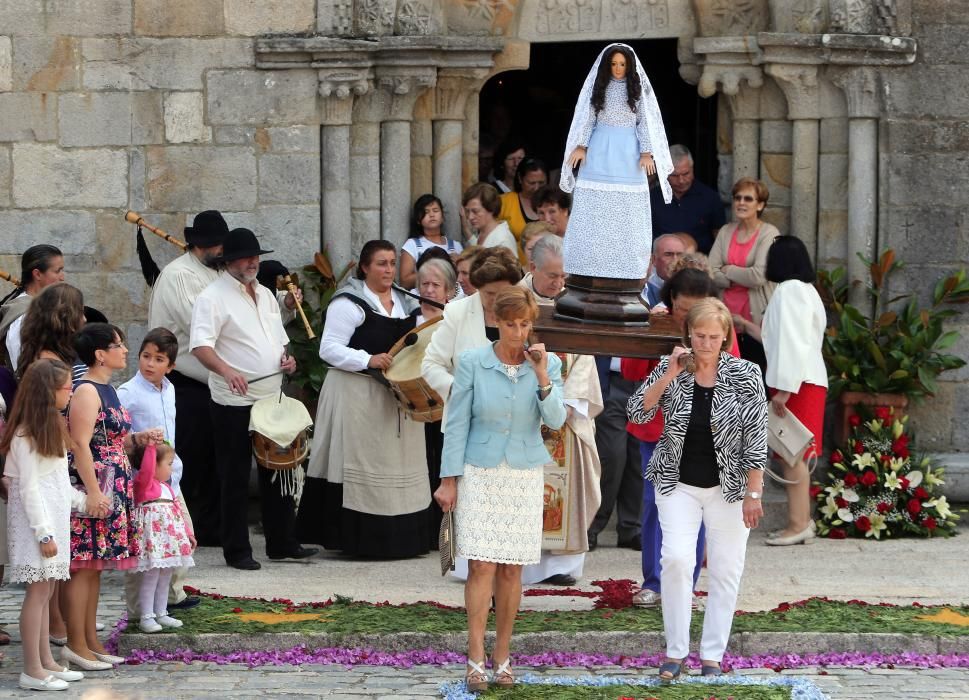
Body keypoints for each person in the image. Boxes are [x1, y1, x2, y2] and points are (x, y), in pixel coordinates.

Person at [627, 298, 767, 679]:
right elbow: (638, 412)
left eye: (713, 337)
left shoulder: (746, 374)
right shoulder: (671, 366)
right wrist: (668, 374)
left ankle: (712, 656)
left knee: (725, 569)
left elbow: (756, 436)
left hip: (731, 487)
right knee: (675, 560)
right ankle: (674, 652)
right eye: (699, 335)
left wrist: (754, 493)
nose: (705, 343)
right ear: (689, 333)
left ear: (725, 338)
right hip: (677, 483)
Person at [434, 286, 565, 691]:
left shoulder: (550, 363)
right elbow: (456, 423)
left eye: (525, 324)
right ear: (497, 322)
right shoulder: (473, 362)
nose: (518, 332)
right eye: (511, 324)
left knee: (512, 569)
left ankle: (503, 657)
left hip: (523, 474)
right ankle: (475, 657)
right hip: (480, 470)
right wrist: (448, 479)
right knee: (481, 566)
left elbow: (557, 421)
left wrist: (542, 373)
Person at [190, 228, 312, 570]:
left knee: (279, 471)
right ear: (228, 261)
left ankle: (282, 542)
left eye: (256, 255)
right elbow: (201, 345)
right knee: (234, 475)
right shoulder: (212, 296)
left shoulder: (266, 294)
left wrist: (287, 359)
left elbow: (278, 340)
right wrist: (227, 371)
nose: (253, 261)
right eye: (246, 256)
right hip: (234, 401)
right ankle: (237, 550)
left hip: (270, 396)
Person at [298, 240, 430, 558]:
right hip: (357, 396)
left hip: (395, 397)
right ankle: (361, 540)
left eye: (392, 262)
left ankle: (404, 539)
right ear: (365, 267)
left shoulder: (406, 302)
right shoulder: (349, 303)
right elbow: (328, 348)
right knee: (362, 467)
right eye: (381, 263)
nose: (388, 269)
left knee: (398, 467)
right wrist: (368, 359)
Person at [624, 269, 740, 609]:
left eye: (695, 310)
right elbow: (631, 372)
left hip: (701, 436)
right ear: (670, 301)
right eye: (681, 310)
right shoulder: (657, 321)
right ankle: (654, 582)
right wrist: (650, 328)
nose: (687, 319)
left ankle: (685, 586)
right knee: (653, 506)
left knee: (698, 509)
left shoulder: (718, 328)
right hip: (657, 431)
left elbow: (732, 374)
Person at [65, 323, 163, 671]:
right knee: (83, 566)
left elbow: (113, 438)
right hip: (95, 485)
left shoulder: (107, 389)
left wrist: (139, 439)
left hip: (114, 483)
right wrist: (92, 491)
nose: (125, 350)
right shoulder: (87, 390)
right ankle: (76, 644)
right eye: (118, 345)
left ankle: (91, 641)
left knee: (95, 568)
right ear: (99, 354)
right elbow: (79, 443)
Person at [1, 360, 88, 691]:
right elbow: (29, 488)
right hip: (38, 528)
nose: (70, 392)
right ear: (47, 392)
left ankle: (47, 662)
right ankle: (31, 669)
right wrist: (44, 532)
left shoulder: (50, 428)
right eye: (66, 387)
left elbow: (57, 482)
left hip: (54, 523)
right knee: (37, 594)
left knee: (47, 589)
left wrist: (83, 502)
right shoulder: (26, 435)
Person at [739, 236, 827, 547]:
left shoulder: (789, 291)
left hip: (796, 384)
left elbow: (791, 343)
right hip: (803, 380)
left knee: (793, 456)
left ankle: (798, 524)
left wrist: (784, 391)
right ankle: (801, 522)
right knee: (794, 455)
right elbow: (780, 340)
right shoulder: (804, 291)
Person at [148, 210, 227, 551]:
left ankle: (210, 527)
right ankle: (183, 526)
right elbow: (201, 324)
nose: (223, 252)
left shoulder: (216, 273)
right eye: (219, 246)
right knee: (189, 458)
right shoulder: (178, 275)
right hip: (185, 379)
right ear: (203, 246)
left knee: (212, 456)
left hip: (212, 381)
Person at [561, 43, 673, 280]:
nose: (618, 68)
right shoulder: (599, 89)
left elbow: (644, 122)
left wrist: (646, 152)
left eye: (622, 64)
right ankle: (591, 258)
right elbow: (588, 118)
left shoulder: (636, 91)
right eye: (614, 64)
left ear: (629, 65)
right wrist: (581, 145)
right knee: (595, 206)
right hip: (600, 147)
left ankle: (625, 259)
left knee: (626, 208)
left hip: (627, 152)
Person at [118, 328, 197, 621]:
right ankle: (138, 612)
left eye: (159, 359)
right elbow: (117, 439)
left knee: (176, 540)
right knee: (143, 549)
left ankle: (167, 601)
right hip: (143, 484)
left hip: (170, 479)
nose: (150, 364)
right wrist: (140, 439)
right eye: (145, 356)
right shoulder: (128, 393)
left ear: (171, 366)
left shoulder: (171, 389)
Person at [422, 247, 522, 408]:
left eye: (503, 293)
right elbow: (431, 364)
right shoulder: (456, 312)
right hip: (465, 420)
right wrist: (460, 391)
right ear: (478, 286)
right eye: (490, 293)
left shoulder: (525, 313)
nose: (496, 299)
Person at [709, 178, 779, 371]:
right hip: (725, 318)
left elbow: (758, 276)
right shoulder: (725, 231)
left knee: (754, 377)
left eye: (748, 199)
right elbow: (710, 271)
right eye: (737, 198)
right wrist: (733, 278)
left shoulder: (769, 233)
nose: (741, 203)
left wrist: (728, 269)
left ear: (760, 205)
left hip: (755, 320)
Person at [130, 443, 196, 633]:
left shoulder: (168, 488)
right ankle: (146, 616)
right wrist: (150, 446)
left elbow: (178, 512)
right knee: (151, 576)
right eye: (168, 463)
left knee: (165, 575)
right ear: (153, 465)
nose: (172, 467)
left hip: (168, 541)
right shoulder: (145, 485)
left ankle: (161, 612)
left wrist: (188, 534)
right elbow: (147, 468)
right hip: (154, 542)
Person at [0, 245, 66, 373]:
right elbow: (22, 368)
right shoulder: (24, 315)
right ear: (37, 274)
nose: (62, 277)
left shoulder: (43, 306)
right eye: (57, 271)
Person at [650, 145, 726, 255]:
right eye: (674, 176)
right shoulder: (652, 199)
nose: (681, 180)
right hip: (660, 266)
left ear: (692, 168)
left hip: (698, 264)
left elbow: (719, 237)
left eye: (686, 174)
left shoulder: (710, 198)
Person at [399, 194, 463, 289]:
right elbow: (405, 282)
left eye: (435, 210)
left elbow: (467, 276)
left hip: (454, 299)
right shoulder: (412, 245)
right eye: (426, 212)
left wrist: (460, 264)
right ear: (418, 220)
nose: (432, 215)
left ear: (442, 217)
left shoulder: (456, 246)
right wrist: (436, 271)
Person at [499, 158, 550, 263]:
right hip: (515, 268)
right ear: (520, 178)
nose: (536, 188)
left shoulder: (554, 203)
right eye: (531, 183)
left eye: (541, 183)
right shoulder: (503, 202)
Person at [463, 183, 518, 257]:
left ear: (491, 208)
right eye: (467, 211)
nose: (470, 217)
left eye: (475, 211)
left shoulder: (503, 240)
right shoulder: (484, 232)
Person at [644, 234, 687, 307]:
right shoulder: (644, 288)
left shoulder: (696, 286)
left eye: (680, 255)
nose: (675, 260)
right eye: (668, 254)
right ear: (654, 259)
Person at [521, 235, 566, 302]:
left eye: (563, 276)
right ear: (533, 267)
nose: (558, 284)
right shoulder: (516, 300)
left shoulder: (567, 299)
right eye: (552, 276)